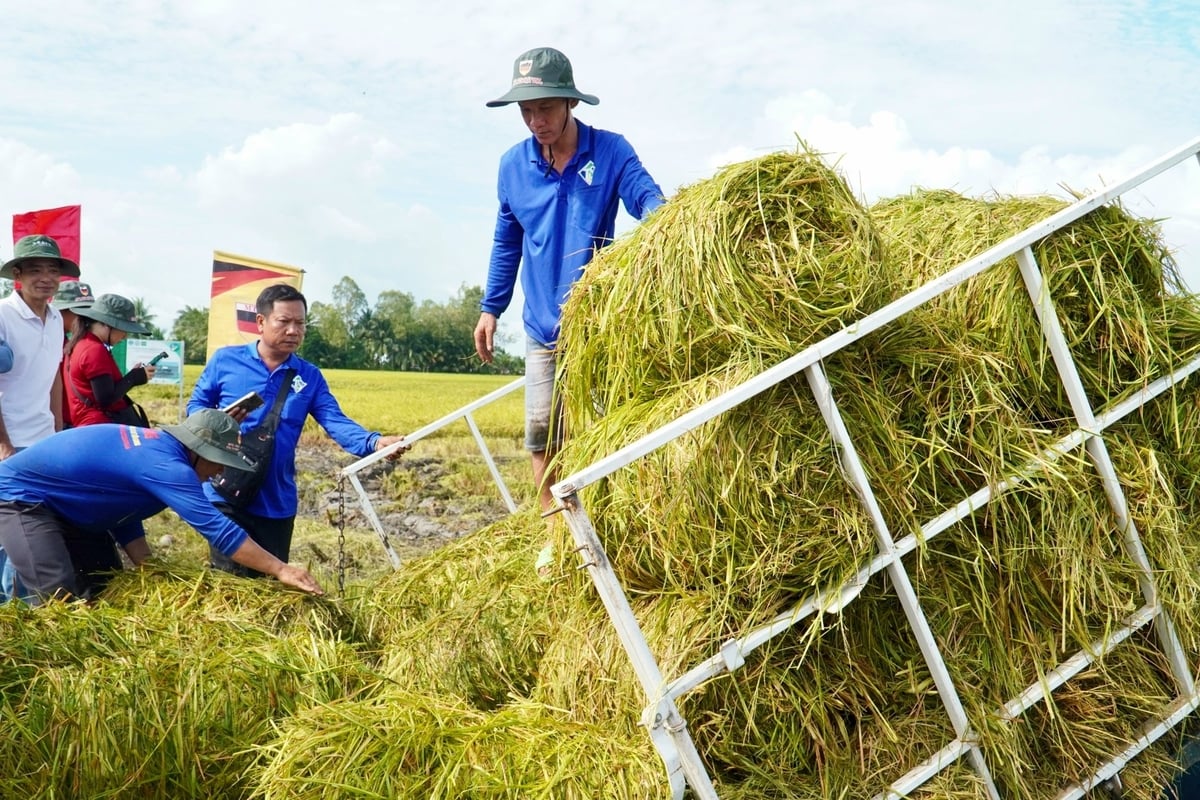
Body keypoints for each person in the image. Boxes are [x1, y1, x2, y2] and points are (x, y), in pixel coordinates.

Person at [474, 46, 666, 515]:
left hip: (597, 324)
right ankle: (555, 533)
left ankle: (614, 517)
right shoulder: (512, 166)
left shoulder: (610, 151)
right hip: (542, 325)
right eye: (526, 111)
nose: (535, 121)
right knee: (542, 436)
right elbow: (506, 240)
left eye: (545, 108)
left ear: (571, 102)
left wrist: (666, 225)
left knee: (604, 428)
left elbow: (646, 198)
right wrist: (490, 308)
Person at [188, 283, 406, 577]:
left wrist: (375, 442)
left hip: (275, 501)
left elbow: (334, 420)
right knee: (230, 581)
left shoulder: (309, 376)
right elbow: (197, 406)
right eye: (284, 321)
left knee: (270, 583)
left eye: (300, 323)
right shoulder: (225, 361)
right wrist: (217, 423)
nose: (293, 331)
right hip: (225, 490)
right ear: (261, 322)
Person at [0, 408, 324, 604]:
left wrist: (146, 564)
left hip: (70, 509)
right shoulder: (168, 467)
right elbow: (220, 531)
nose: (220, 471)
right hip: (20, 499)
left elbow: (120, 506)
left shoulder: (158, 450)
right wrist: (281, 569)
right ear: (198, 450)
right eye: (219, 461)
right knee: (60, 598)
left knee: (105, 585)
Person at [0, 234, 79, 600]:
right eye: (35, 270)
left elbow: (54, 378)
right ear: (17, 274)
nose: (46, 278)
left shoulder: (56, 318)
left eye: (53, 270)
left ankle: (21, 612)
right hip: (9, 443)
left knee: (31, 533)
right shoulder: (3, 315)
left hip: (42, 442)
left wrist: (57, 430)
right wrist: (4, 445)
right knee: (11, 537)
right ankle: (13, 615)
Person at [64, 293, 157, 428]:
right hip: (101, 425)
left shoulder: (83, 343)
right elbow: (106, 399)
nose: (124, 336)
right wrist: (134, 378)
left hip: (92, 424)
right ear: (107, 324)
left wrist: (134, 376)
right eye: (123, 329)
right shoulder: (94, 350)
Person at [51, 280, 96, 429]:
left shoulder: (72, 343)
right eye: (79, 312)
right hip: (52, 423)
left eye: (88, 311)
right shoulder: (48, 341)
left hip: (71, 422)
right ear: (60, 311)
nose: (86, 318)